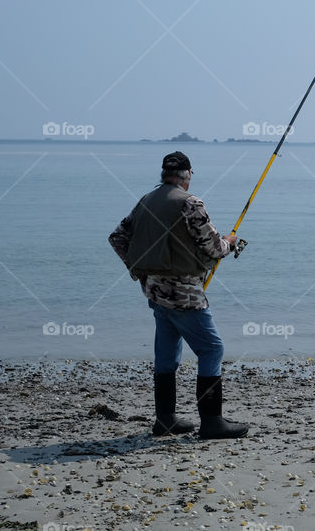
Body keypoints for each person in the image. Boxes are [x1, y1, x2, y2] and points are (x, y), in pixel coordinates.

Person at [108, 151, 249, 439]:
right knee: (211, 349)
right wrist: (230, 242)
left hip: (154, 290)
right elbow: (214, 248)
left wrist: (138, 268)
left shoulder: (146, 201)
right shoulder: (190, 203)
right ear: (187, 175)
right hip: (184, 293)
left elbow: (117, 238)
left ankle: (165, 420)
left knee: (167, 353)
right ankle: (212, 422)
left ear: (164, 175)